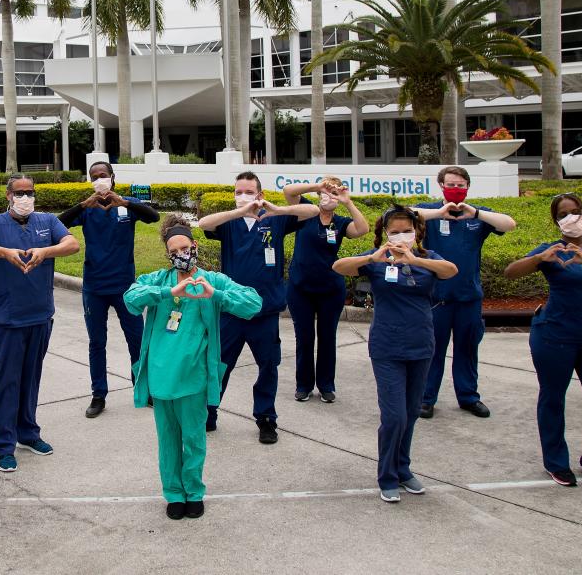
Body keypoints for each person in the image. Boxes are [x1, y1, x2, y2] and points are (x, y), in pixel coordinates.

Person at [124, 215, 263, 520]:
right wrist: (168, 293)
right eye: (174, 252)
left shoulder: (211, 281)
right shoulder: (159, 280)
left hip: (194, 378)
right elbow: (131, 299)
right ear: (168, 255)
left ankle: (194, 491)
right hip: (161, 378)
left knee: (194, 439)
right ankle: (174, 494)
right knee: (168, 440)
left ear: (194, 246)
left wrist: (217, 295)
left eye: (185, 248)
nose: (181, 256)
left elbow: (253, 303)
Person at [335, 206, 458, 503]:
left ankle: (403, 468)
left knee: (412, 412)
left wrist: (415, 259)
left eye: (407, 230)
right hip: (387, 346)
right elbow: (339, 266)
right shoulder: (377, 261)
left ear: (416, 232)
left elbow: (451, 271)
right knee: (394, 416)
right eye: (395, 231)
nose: (402, 236)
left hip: (421, 345)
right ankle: (387, 475)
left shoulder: (427, 259)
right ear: (386, 234)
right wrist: (372, 257)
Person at [504, 194, 582, 488]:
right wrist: (538, 259)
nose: (572, 217)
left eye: (576, 211)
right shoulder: (552, 250)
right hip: (554, 335)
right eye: (564, 214)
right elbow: (510, 272)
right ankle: (556, 462)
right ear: (557, 221)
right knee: (552, 398)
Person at [0, 174, 80, 472]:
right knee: (6, 382)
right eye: (19, 193)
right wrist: (3, 252)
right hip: (6, 320)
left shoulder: (47, 221)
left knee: (31, 379)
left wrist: (47, 250)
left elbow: (72, 243)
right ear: (8, 196)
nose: (25, 198)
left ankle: (28, 432)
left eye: (30, 192)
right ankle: (4, 444)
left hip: (39, 316)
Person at [196, 171, 318, 443]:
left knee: (267, 366)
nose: (243, 196)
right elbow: (203, 223)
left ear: (259, 194)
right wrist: (237, 212)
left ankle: (265, 418)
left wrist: (277, 208)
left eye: (249, 192)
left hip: (265, 311)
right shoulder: (230, 223)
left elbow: (313, 210)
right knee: (219, 365)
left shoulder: (274, 221)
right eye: (238, 192)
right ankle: (208, 413)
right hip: (231, 310)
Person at [414, 165, 516, 420]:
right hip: (437, 299)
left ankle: (468, 397)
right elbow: (399, 216)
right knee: (432, 351)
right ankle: (426, 399)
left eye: (460, 185)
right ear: (441, 186)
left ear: (467, 188)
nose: (455, 189)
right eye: (450, 184)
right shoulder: (430, 211)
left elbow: (509, 224)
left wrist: (477, 213)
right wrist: (439, 213)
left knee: (468, 350)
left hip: (468, 298)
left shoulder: (477, 217)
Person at [58, 161, 159, 418]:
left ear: (113, 178)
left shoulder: (125, 204)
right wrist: (83, 204)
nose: (99, 179)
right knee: (97, 342)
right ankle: (98, 394)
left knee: (136, 339)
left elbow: (153, 217)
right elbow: (59, 224)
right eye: (94, 177)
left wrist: (124, 203)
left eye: (103, 175)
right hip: (95, 286)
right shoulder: (88, 208)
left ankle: (142, 387)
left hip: (125, 286)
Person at [282, 177, 369, 403]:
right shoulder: (306, 213)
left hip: (330, 289)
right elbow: (288, 191)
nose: (327, 197)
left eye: (333, 193)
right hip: (301, 288)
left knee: (327, 338)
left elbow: (362, 229)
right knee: (304, 338)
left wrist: (348, 202)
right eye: (325, 192)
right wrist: (316, 186)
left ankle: (326, 385)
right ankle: (303, 385)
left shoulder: (339, 223)